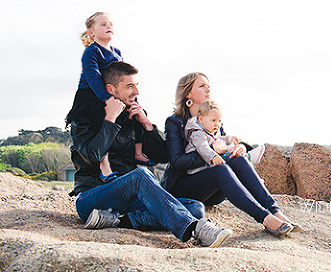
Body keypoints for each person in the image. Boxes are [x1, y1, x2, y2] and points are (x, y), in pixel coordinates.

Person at [66, 61, 233, 247]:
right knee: (140, 175)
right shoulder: (83, 117)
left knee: (196, 207)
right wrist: (110, 120)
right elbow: (92, 155)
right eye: (130, 86)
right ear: (111, 89)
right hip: (92, 197)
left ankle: (116, 220)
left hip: (128, 201)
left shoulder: (133, 114)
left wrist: (146, 125)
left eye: (137, 86)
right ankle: (193, 228)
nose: (136, 92)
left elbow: (162, 156)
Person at [162, 72, 300, 237]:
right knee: (221, 169)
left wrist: (238, 147)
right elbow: (177, 162)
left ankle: (275, 211)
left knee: (238, 160)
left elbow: (224, 143)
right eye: (202, 86)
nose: (208, 89)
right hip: (183, 187)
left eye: (209, 86)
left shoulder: (213, 117)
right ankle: (265, 219)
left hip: (213, 190)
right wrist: (213, 150)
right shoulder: (175, 122)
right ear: (187, 94)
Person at [74, 12, 151, 182]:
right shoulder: (92, 51)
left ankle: (138, 151)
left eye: (110, 24)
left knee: (137, 113)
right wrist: (107, 99)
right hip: (91, 95)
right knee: (100, 126)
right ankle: (104, 164)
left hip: (113, 92)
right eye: (103, 24)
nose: (108, 26)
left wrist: (132, 100)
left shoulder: (116, 51)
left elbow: (123, 76)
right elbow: (93, 76)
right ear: (91, 33)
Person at [184, 100, 245, 174]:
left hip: (209, 165)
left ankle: (246, 158)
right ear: (201, 119)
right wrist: (213, 156)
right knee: (228, 159)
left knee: (233, 155)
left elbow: (219, 139)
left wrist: (229, 139)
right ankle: (247, 157)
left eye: (219, 121)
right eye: (213, 120)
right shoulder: (197, 134)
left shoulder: (213, 131)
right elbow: (203, 147)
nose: (217, 124)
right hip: (198, 169)